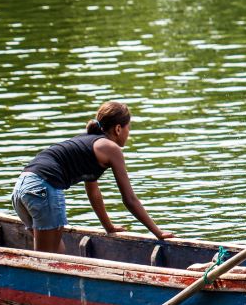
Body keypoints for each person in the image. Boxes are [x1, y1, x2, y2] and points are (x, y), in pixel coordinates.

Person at [11, 101, 174, 253]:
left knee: (57, 250)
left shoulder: (88, 143)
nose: (128, 133)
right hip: (43, 188)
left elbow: (93, 193)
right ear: (118, 129)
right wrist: (158, 232)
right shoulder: (111, 148)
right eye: (128, 128)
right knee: (47, 259)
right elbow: (129, 199)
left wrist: (108, 227)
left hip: (21, 188)